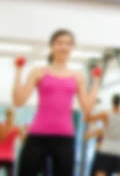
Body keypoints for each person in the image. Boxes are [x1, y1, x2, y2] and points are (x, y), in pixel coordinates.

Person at [12, 29, 100, 176]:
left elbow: (87, 106)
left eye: (68, 44)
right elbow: (19, 101)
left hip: (65, 137)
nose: (64, 47)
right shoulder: (38, 71)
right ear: (52, 46)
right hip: (37, 135)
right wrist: (18, 72)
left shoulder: (77, 76)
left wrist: (96, 81)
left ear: (72, 48)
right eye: (59, 43)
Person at [0, 107, 26, 175]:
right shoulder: (16, 128)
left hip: (6, 157)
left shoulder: (2, 126)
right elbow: (24, 140)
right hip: (9, 157)